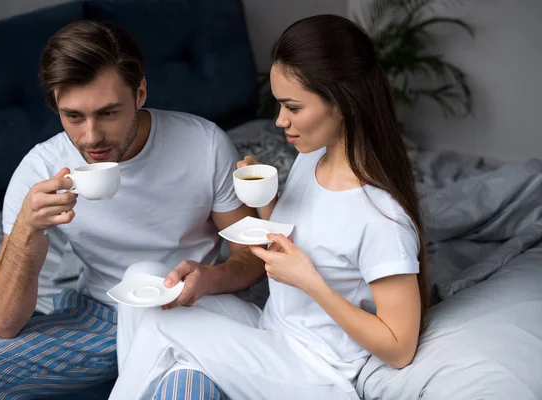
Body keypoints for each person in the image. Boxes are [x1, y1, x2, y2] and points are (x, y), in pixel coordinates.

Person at [109, 14, 429, 400]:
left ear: (342, 102)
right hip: (272, 330)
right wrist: (264, 202)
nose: (280, 121)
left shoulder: (382, 216)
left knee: (165, 328)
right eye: (280, 105)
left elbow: (399, 348)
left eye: (293, 107)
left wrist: (311, 282)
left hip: (316, 370)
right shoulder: (312, 159)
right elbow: (305, 238)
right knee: (143, 282)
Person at [0, 20, 265, 399]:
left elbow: (252, 259)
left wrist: (211, 278)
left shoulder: (204, 143)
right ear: (55, 106)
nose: (91, 137)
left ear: (140, 92)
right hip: (95, 315)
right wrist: (28, 231)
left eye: (108, 113)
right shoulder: (40, 168)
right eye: (74, 116)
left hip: (189, 310)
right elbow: (3, 322)